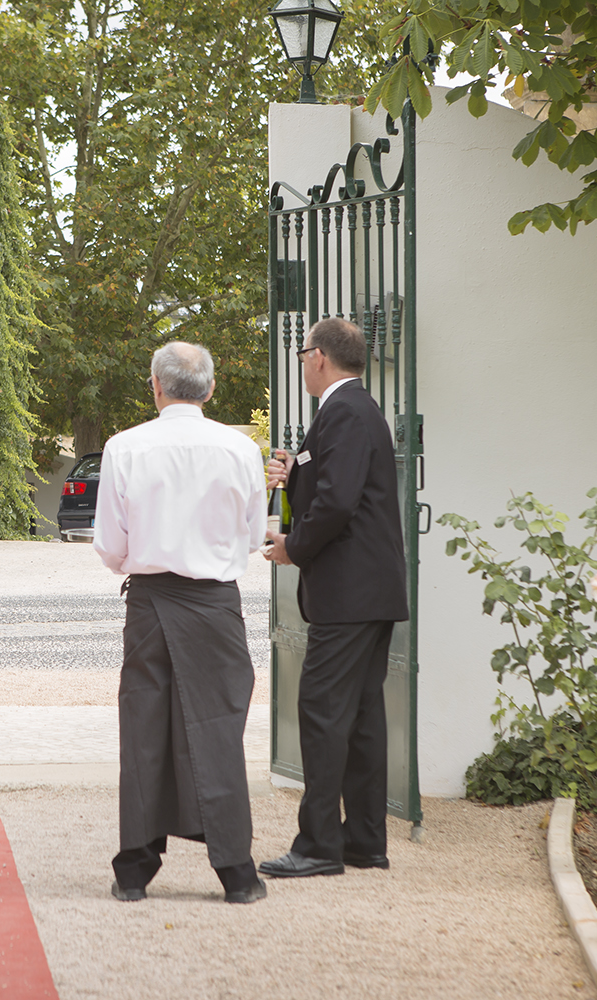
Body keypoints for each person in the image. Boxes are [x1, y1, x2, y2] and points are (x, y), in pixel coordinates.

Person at [93, 341, 269, 905]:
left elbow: (109, 544)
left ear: (156, 385)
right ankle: (237, 872)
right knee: (219, 727)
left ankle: (135, 870)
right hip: (216, 602)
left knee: (143, 729)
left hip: (150, 599)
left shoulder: (125, 448)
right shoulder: (240, 449)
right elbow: (251, 536)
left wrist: (146, 564)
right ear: (211, 389)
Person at [258, 316, 409, 878]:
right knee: (363, 718)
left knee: (321, 711)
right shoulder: (360, 410)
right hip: (372, 591)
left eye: (302, 355)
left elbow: (340, 502)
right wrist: (295, 472)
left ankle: (319, 845)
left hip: (348, 593)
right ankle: (365, 841)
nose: (301, 365)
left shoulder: (342, 410)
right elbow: (337, 487)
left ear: (318, 356)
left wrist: (293, 547)